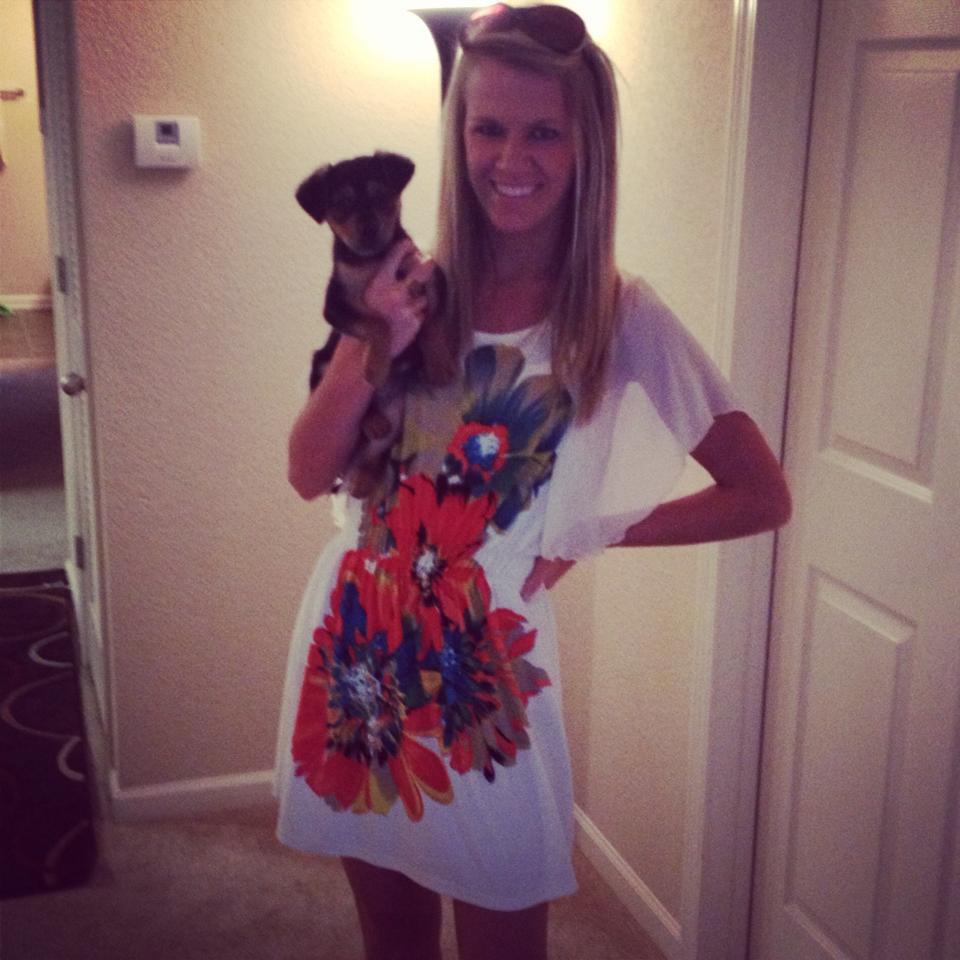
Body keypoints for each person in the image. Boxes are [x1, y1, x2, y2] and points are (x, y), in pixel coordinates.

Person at [275, 5, 791, 960]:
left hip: (488, 669)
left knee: (505, 925)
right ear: (459, 136)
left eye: (544, 132)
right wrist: (370, 335)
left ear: (586, 145)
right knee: (392, 941)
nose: (511, 158)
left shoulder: (618, 313)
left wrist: (586, 531)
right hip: (361, 636)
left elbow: (761, 494)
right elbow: (309, 474)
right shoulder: (412, 286)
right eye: (488, 128)